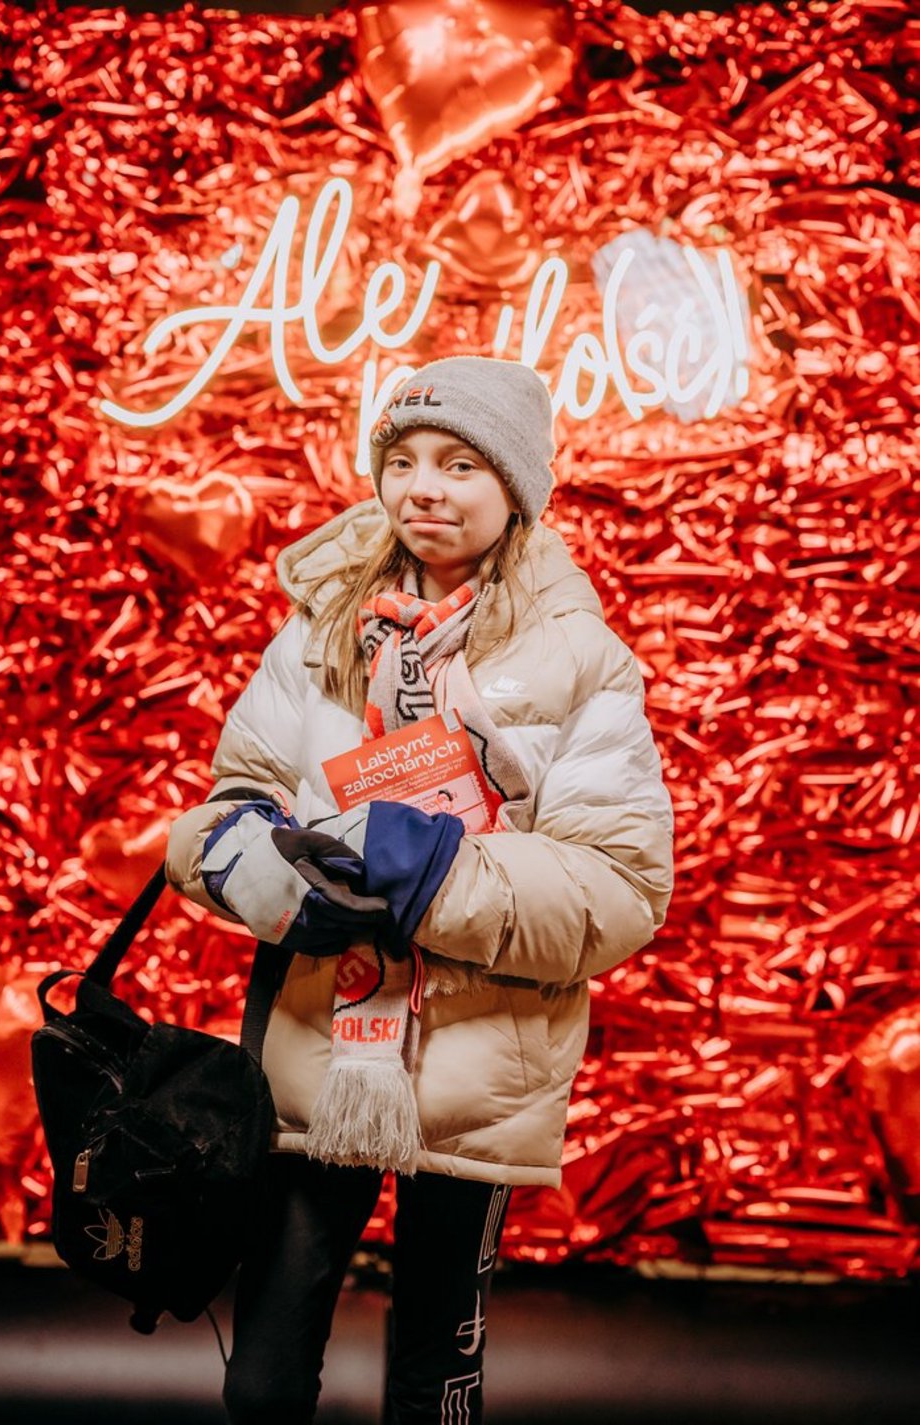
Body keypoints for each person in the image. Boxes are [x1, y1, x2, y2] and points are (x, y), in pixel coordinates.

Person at [166, 355, 674, 1425]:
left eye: (457, 463)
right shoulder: (319, 633)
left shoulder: (579, 662)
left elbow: (617, 886)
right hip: (317, 1059)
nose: (423, 487)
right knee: (260, 1374)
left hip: (477, 1071)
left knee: (433, 1379)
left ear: (516, 487)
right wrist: (259, 869)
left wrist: (432, 875)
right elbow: (233, 797)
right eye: (401, 461)